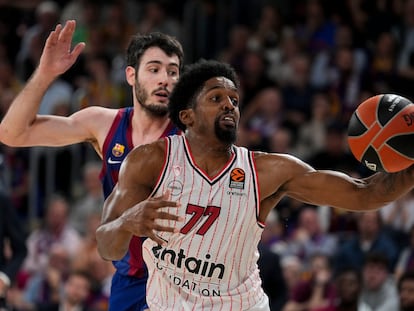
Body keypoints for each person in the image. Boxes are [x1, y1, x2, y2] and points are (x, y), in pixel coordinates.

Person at [96, 59, 414, 310]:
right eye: (216, 98)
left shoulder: (266, 171)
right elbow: (106, 244)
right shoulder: (149, 162)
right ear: (188, 116)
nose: (229, 105)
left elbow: (366, 194)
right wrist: (126, 223)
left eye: (234, 99)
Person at [0, 20, 184, 311]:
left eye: (173, 72)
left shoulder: (192, 133)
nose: (165, 79)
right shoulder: (104, 123)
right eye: (155, 69)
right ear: (131, 76)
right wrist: (45, 74)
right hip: (130, 279)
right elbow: (11, 133)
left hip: (184, 277)